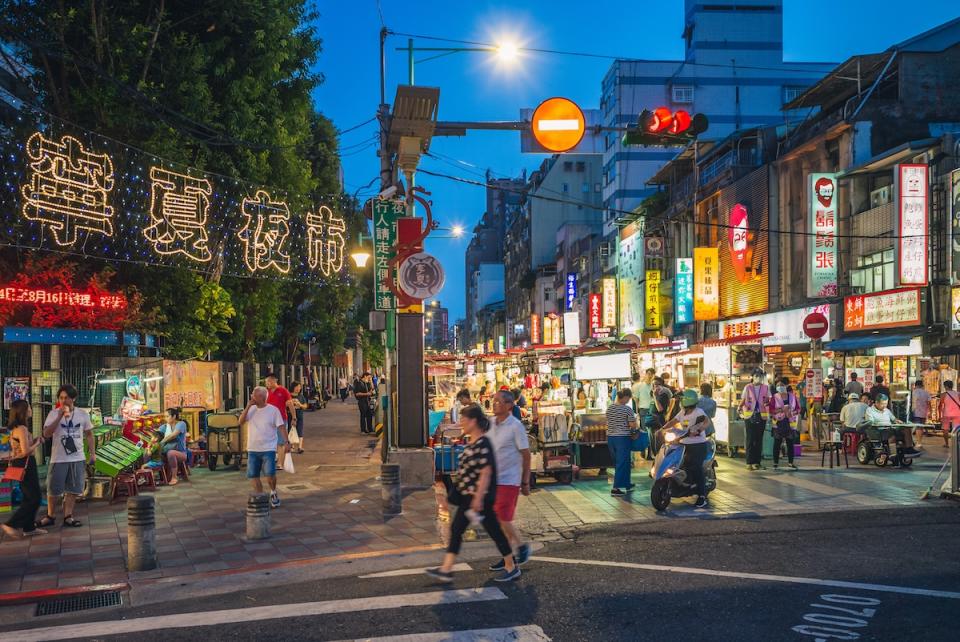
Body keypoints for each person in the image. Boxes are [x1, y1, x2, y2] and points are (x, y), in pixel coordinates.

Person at [426, 404, 520, 583]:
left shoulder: (483, 443)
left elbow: (486, 471)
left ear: (474, 421)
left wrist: (478, 498)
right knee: (457, 529)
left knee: (493, 531)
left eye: (464, 419)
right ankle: (446, 569)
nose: (461, 422)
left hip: (479, 497)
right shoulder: (473, 441)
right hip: (469, 497)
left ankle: (511, 566)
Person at [36, 384, 94, 529]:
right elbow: (46, 434)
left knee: (73, 489)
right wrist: (59, 416)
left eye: (66, 398)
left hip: (77, 457)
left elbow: (89, 434)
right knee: (53, 489)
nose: (63, 401)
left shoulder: (82, 414)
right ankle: (50, 516)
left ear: (73, 398)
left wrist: (93, 453)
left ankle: (68, 516)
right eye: (61, 398)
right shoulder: (53, 413)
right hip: (58, 458)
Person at [487, 391, 532, 569]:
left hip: (510, 479)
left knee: (502, 517)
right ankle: (507, 555)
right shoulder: (490, 424)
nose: (494, 404)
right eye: (494, 401)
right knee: (498, 520)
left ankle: (521, 547)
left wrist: (525, 481)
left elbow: (526, 455)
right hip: (493, 480)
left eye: (498, 401)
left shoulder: (516, 426)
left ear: (509, 405)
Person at [1, 400, 44, 539]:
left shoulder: (16, 429)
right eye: (29, 407)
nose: (31, 409)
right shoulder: (22, 429)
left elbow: (23, 447)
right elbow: (26, 451)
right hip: (26, 463)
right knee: (35, 498)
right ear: (23, 411)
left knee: (28, 497)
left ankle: (29, 527)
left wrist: (35, 439)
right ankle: (11, 524)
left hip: (20, 463)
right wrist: (37, 443)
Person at [241, 386, 289, 508]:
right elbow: (240, 421)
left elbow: (281, 426)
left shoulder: (273, 411)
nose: (252, 396)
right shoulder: (251, 410)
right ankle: (261, 496)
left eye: (254, 395)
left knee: (270, 474)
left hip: (268, 448)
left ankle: (273, 492)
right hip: (252, 448)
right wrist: (247, 406)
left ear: (261, 397)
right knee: (253, 475)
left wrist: (286, 441)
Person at [661, 390, 710, 508]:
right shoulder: (682, 412)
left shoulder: (699, 412)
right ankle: (684, 485)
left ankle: (702, 496)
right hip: (683, 443)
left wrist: (698, 430)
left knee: (696, 467)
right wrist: (662, 428)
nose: (681, 401)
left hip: (698, 445)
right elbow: (673, 421)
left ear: (687, 400)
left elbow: (706, 422)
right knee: (677, 464)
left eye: (682, 399)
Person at [605, 388, 638, 497]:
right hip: (622, 438)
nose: (628, 401)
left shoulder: (609, 408)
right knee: (622, 462)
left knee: (622, 462)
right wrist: (635, 426)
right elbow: (633, 424)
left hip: (611, 438)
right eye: (628, 398)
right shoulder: (627, 409)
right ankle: (616, 488)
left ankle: (626, 484)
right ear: (624, 397)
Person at [739, 371, 770, 471]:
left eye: (760, 376)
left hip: (762, 416)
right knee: (750, 439)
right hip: (749, 415)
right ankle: (749, 462)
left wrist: (767, 403)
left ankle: (757, 462)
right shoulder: (748, 387)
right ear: (752, 377)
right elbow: (743, 399)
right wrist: (739, 407)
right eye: (756, 376)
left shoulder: (766, 387)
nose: (758, 378)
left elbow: (769, 400)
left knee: (758, 439)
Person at [769, 383, 799, 470]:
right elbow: (771, 410)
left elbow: (798, 409)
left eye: (782, 386)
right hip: (778, 423)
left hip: (790, 422)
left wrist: (792, 413)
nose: (780, 387)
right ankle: (775, 462)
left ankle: (791, 462)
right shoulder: (775, 397)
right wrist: (782, 410)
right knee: (777, 443)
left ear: (785, 387)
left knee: (790, 443)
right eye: (778, 386)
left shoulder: (793, 397)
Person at [158, 407, 188, 485]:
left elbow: (173, 435)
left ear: (174, 416)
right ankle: (146, 478)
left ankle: (174, 477)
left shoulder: (181, 424)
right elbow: (156, 435)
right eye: (165, 416)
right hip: (165, 451)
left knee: (171, 453)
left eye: (167, 416)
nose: (165, 418)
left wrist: (161, 442)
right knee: (147, 453)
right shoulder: (164, 427)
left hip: (181, 453)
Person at [938, 380, 960, 448]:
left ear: (946, 386)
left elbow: (940, 406)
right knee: (956, 429)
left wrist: (939, 415)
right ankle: (956, 443)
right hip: (957, 413)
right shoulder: (958, 393)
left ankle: (947, 444)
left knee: (945, 429)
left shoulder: (943, 394)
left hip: (946, 413)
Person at [289, 381, 308, 454]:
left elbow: (305, 406)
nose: (298, 389)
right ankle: (292, 446)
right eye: (296, 387)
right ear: (293, 387)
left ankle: (300, 447)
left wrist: (300, 405)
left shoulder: (301, 396)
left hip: (299, 415)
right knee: (290, 430)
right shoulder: (288, 396)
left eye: (299, 387)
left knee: (299, 430)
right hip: (290, 415)